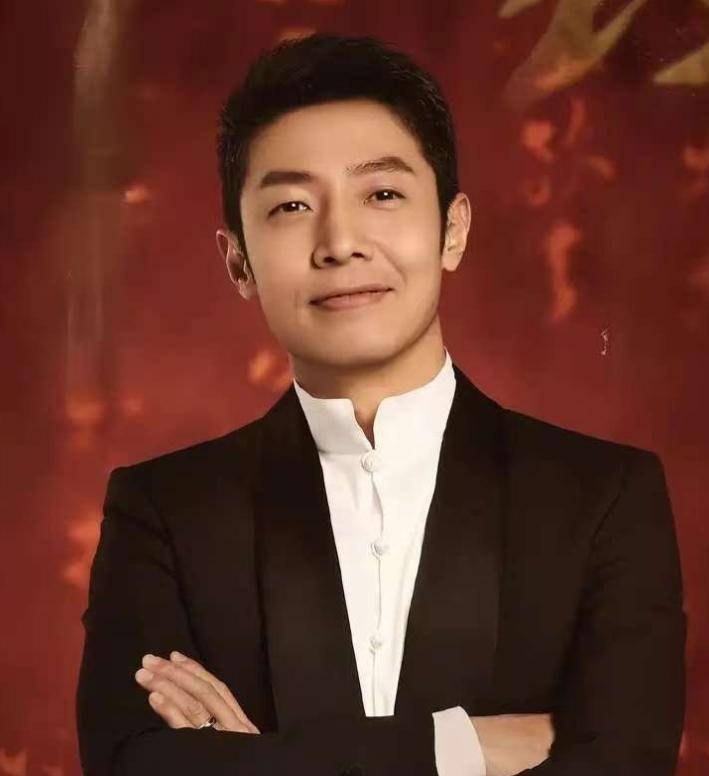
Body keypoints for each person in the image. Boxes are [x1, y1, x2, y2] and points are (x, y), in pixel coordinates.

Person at [75, 33, 686, 776]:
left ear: (452, 229)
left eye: (382, 195)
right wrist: (459, 748)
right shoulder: (166, 510)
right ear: (238, 262)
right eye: (291, 205)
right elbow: (134, 764)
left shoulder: (603, 496)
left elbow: (626, 762)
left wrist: (258, 760)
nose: (340, 242)